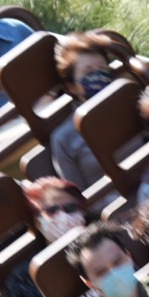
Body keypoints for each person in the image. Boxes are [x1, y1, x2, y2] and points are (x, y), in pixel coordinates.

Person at [47, 32, 118, 186]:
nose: (98, 75)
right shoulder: (63, 138)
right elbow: (78, 194)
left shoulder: (129, 105)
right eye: (89, 72)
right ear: (72, 86)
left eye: (102, 68)